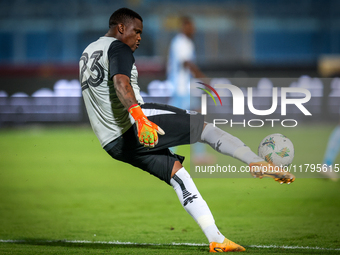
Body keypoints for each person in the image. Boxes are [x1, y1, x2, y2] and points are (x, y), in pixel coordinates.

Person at [79, 8, 295, 253]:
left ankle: (217, 239)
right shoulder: (118, 48)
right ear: (120, 28)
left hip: (112, 143)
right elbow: (121, 82)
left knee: (178, 175)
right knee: (206, 129)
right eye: (136, 31)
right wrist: (139, 118)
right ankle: (257, 162)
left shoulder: (87, 52)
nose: (139, 37)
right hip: (135, 124)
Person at [167, 16, 214, 164]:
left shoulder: (182, 42)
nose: (193, 29)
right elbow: (186, 63)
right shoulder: (182, 42)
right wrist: (203, 78)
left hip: (183, 87)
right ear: (184, 27)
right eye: (191, 26)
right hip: (181, 88)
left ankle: (196, 155)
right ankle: (169, 153)